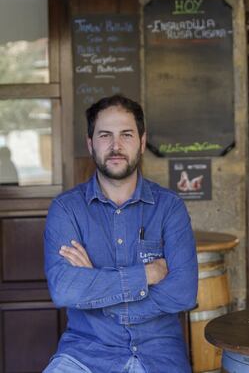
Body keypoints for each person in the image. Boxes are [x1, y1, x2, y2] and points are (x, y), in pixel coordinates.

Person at [43, 95, 198, 373]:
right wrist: (147, 275)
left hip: (159, 354)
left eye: (126, 134)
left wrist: (97, 289)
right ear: (90, 143)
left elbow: (183, 293)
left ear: (141, 141)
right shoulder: (66, 209)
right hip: (86, 352)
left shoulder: (169, 207)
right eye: (105, 135)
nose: (116, 146)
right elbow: (65, 289)